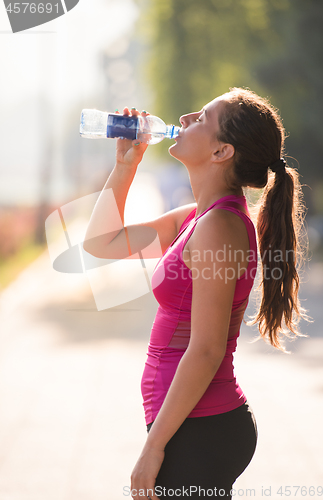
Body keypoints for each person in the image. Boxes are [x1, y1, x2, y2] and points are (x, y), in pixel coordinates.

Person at [83, 88, 308, 499]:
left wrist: (153, 450)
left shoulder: (218, 228)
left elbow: (206, 350)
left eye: (203, 117)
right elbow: (101, 242)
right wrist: (124, 167)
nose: (185, 117)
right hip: (190, 425)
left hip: (200, 429)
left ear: (222, 151)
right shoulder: (197, 219)